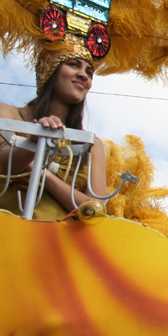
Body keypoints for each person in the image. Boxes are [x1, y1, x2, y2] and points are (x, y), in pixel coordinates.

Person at [0, 35, 108, 220]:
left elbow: (96, 211)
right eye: (74, 64)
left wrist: (43, 174)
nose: (84, 75)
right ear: (50, 70)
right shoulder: (8, 113)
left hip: (59, 243)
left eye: (89, 72)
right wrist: (35, 143)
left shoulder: (92, 144)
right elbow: (2, 163)